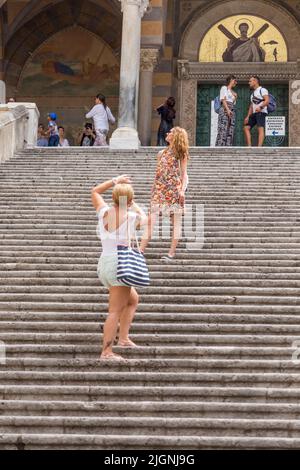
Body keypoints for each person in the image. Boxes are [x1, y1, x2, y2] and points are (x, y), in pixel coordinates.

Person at [91, 175, 148, 361]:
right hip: (119, 265)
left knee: (132, 299)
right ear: (129, 200)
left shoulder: (104, 212)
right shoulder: (131, 216)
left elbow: (95, 191)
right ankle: (106, 352)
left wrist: (115, 181)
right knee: (115, 310)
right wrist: (132, 203)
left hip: (105, 264)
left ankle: (123, 338)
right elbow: (146, 219)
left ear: (113, 197)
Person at [141, 127, 189, 261]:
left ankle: (171, 253)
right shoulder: (161, 153)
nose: (168, 133)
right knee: (151, 221)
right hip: (160, 190)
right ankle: (140, 251)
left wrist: (182, 191)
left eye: (171, 132)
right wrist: (153, 190)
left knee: (176, 223)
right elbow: (158, 175)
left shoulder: (181, 153)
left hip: (174, 190)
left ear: (176, 136)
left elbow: (184, 175)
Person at [244, 75, 270, 147]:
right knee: (246, 128)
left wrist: (260, 107)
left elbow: (267, 100)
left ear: (255, 81)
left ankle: (259, 147)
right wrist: (247, 116)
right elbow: (251, 106)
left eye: (250, 81)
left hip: (261, 112)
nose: (249, 83)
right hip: (254, 113)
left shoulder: (262, 90)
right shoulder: (252, 94)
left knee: (260, 129)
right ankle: (249, 146)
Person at [216, 75, 238, 146]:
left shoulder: (233, 92)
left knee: (230, 128)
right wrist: (227, 110)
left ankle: (228, 145)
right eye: (235, 81)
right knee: (223, 127)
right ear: (231, 80)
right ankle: (220, 145)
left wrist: (235, 97)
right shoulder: (224, 88)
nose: (236, 83)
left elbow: (233, 103)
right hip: (225, 108)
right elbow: (223, 100)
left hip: (232, 109)